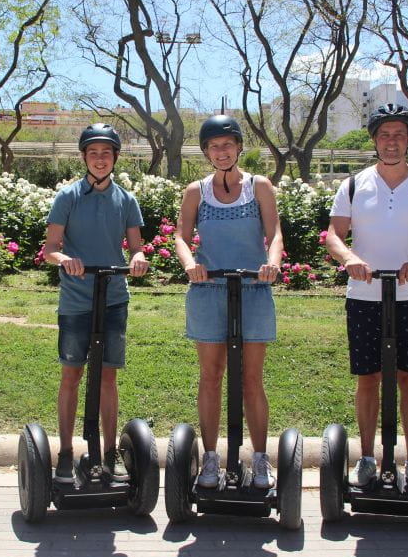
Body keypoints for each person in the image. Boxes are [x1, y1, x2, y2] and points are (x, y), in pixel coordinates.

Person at [325, 103, 408, 490]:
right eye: (384, 135)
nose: (391, 142)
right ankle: (367, 458)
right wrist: (349, 257)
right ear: (375, 140)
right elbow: (334, 234)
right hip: (365, 295)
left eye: (399, 135)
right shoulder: (353, 185)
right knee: (367, 378)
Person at [173, 114, 284, 490]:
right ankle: (208, 458)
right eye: (214, 146)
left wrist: (272, 263)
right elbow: (182, 237)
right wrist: (191, 265)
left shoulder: (260, 186)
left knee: (252, 379)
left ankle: (261, 458)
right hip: (209, 289)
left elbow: (275, 233)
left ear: (238, 147)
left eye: (227, 145)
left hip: (253, 289)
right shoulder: (195, 191)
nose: (221, 152)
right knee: (211, 375)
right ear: (206, 152)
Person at [42, 123, 149, 483]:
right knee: (71, 374)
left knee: (107, 377)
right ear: (84, 158)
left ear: (115, 157)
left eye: (106, 153)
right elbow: (50, 250)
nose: (100, 159)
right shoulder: (67, 197)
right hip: (76, 299)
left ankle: (109, 452)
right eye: (93, 153)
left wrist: (138, 259)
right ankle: (67, 453)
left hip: (114, 298)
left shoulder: (126, 200)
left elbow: (136, 246)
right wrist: (65, 260)